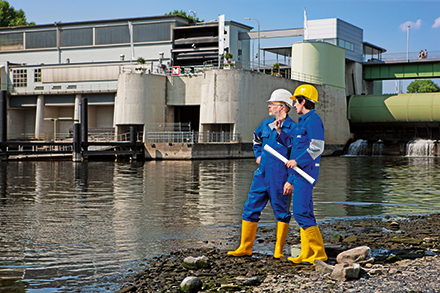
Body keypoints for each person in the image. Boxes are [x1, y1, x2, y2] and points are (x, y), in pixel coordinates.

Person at [227, 89, 297, 258]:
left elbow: (297, 156)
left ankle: (278, 251)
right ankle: (245, 247)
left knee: (282, 212)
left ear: (282, 107)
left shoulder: (294, 129)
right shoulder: (265, 124)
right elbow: (256, 139)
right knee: (250, 208)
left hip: (280, 177)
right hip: (261, 175)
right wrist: (258, 155)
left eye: (272, 104)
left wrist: (291, 181)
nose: (269, 106)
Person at [275, 84, 328, 265]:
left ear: (303, 101)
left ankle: (319, 253)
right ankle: (307, 253)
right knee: (306, 212)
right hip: (298, 173)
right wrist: (280, 131)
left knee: (299, 212)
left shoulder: (313, 120)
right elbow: (294, 145)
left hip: (305, 173)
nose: (294, 106)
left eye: (296, 102)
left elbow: (317, 147)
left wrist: (297, 162)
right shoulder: (303, 121)